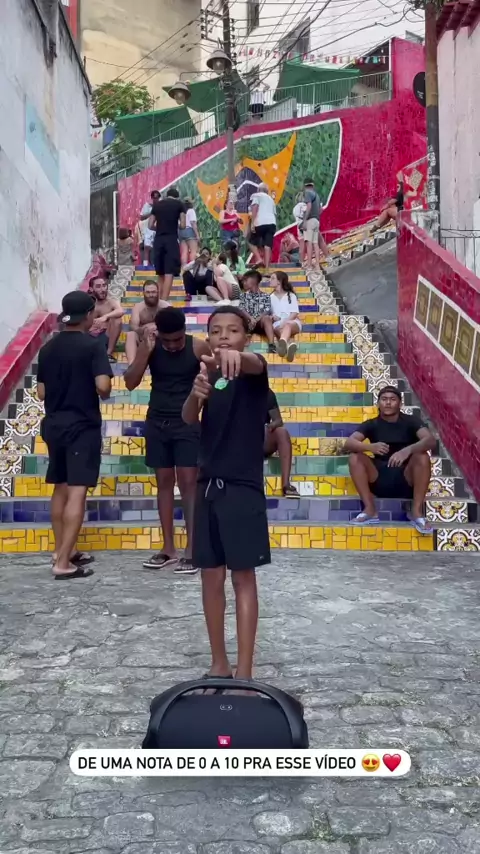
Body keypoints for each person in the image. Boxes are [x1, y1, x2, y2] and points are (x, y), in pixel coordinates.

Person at [182, 306, 270, 680]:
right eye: (216, 330)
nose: (223, 336)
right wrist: (195, 394)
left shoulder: (253, 371)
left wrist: (238, 357)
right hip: (208, 487)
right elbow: (189, 418)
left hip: (242, 489)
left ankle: (245, 672)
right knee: (210, 577)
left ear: (245, 337)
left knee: (242, 578)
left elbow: (256, 363)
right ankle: (219, 663)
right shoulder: (209, 375)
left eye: (232, 331)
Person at [124, 307, 211, 573]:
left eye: (177, 339)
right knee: (163, 484)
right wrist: (145, 351)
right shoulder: (150, 347)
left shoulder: (198, 347)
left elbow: (215, 380)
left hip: (187, 424)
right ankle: (168, 549)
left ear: (185, 331)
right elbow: (129, 382)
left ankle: (192, 550)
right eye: (167, 340)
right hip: (157, 422)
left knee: (188, 484)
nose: (172, 345)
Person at [36, 291, 112, 579]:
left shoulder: (47, 348)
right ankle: (63, 564)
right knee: (77, 490)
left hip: (54, 425)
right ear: (89, 314)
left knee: (61, 487)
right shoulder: (93, 346)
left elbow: (41, 392)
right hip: (82, 426)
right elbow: (103, 387)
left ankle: (62, 550)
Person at [344, 385, 436, 534]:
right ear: (378, 403)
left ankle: (416, 512)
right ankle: (370, 509)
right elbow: (348, 443)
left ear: (400, 403)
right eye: (384, 399)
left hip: (406, 478)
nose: (388, 403)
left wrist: (407, 451)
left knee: (422, 456)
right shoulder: (371, 424)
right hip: (378, 478)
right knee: (355, 457)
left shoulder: (411, 421)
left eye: (392, 399)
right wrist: (370, 447)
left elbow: (430, 441)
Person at [148, 187, 186, 300]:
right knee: (169, 271)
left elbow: (150, 225)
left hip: (158, 240)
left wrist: (160, 227)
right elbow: (183, 225)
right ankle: (164, 301)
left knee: (160, 272)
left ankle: (157, 300)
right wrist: (173, 225)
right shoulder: (179, 205)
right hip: (171, 240)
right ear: (177, 197)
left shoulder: (157, 205)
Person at [264, 388, 299, 498]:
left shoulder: (266, 392)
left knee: (282, 432)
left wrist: (269, 427)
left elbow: (278, 420)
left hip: (260, 438)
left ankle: (286, 485)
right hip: (238, 440)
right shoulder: (234, 390)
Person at [125, 281, 169, 365]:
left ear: (158, 292)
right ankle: (131, 365)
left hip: (161, 338)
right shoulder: (138, 307)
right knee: (131, 335)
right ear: (143, 293)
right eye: (148, 292)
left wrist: (156, 328)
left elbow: (172, 325)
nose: (151, 295)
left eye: (153, 292)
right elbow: (133, 326)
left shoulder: (165, 306)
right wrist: (144, 329)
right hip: (143, 338)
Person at [239, 269, 276, 354]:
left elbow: (267, 310)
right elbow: (242, 308)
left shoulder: (265, 296)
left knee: (267, 318)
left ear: (253, 281)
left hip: (259, 323)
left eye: (246, 280)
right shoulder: (243, 295)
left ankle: (272, 345)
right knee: (239, 319)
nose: (243, 283)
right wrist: (251, 318)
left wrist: (256, 319)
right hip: (248, 322)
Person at [88, 276, 124, 363]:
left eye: (104, 285)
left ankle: (108, 354)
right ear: (91, 289)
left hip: (105, 338)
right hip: (90, 338)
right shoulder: (87, 303)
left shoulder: (111, 302)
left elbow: (120, 311)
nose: (103, 289)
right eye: (98, 286)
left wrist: (105, 317)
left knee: (116, 319)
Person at [270, 271, 301, 361]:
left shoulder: (291, 295)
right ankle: (288, 346)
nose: (270, 280)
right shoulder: (270, 297)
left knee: (287, 325)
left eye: (272, 278)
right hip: (277, 324)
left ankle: (282, 343)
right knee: (280, 328)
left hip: (292, 322)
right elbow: (269, 313)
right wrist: (274, 317)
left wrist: (285, 321)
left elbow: (294, 313)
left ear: (279, 281)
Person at [249, 183, 276, 271]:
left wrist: (252, 223)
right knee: (267, 246)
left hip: (260, 222)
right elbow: (274, 213)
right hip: (271, 223)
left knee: (251, 242)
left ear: (258, 189)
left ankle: (259, 258)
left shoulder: (257, 196)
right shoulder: (271, 199)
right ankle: (267, 269)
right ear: (267, 191)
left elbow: (255, 208)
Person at [179, 199, 200, 266]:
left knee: (184, 251)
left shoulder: (181, 212)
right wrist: (197, 235)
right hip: (190, 231)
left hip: (181, 231)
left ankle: (184, 267)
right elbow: (193, 223)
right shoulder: (191, 211)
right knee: (193, 250)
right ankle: (192, 267)